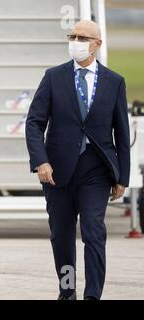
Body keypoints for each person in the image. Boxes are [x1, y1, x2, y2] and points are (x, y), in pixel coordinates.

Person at [25, 20, 130, 300]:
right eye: (72, 36)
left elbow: (122, 131)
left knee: (94, 232)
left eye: (83, 37)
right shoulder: (53, 77)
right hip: (57, 172)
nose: (76, 41)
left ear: (97, 43)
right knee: (61, 237)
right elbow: (34, 123)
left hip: (96, 172)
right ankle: (67, 290)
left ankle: (92, 295)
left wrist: (123, 177)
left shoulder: (114, 82)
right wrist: (41, 161)